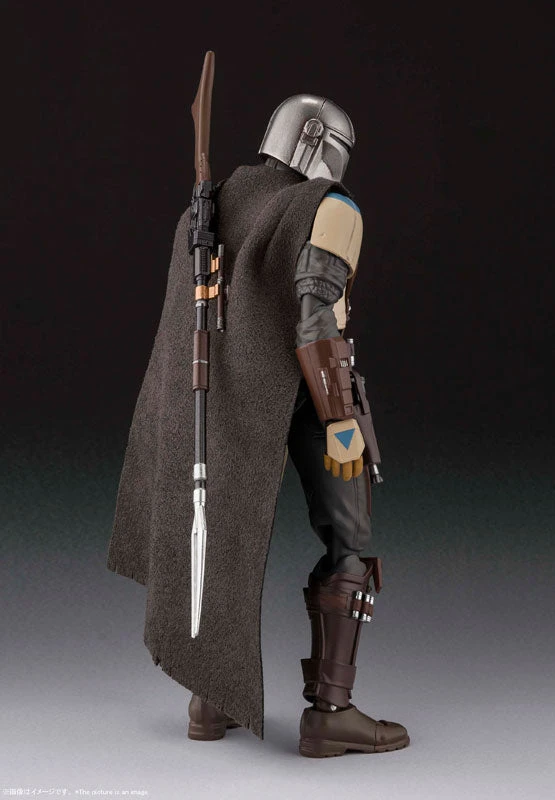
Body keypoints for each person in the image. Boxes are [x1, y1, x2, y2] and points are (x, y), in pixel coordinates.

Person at [107, 94, 409, 758]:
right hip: (305, 391)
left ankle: (208, 698)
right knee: (349, 539)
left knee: (217, 532)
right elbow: (315, 322)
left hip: (219, 400)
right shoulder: (328, 207)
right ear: (319, 143)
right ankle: (330, 712)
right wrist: (340, 422)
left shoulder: (212, 203)